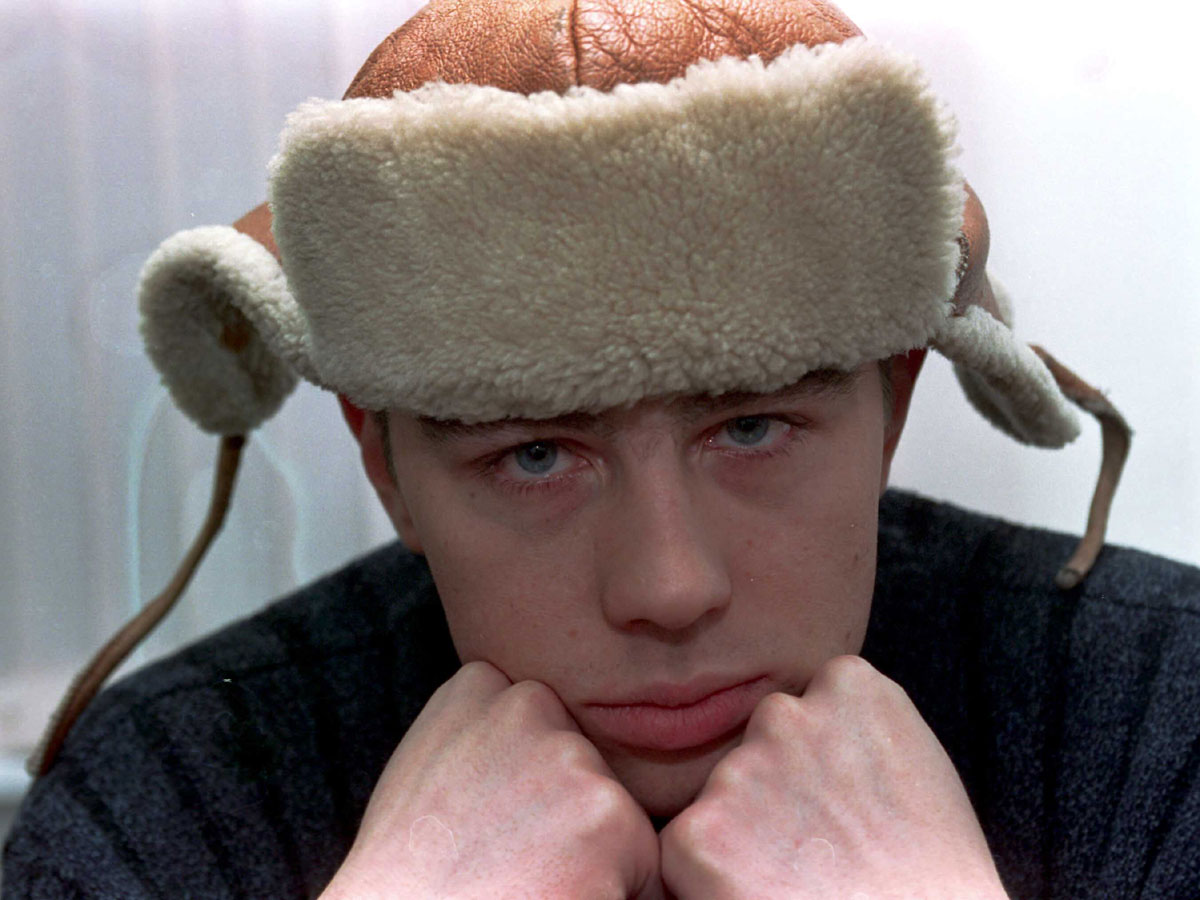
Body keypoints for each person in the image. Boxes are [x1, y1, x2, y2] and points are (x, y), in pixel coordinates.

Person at [4, 0, 1198, 897]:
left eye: (750, 427)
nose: (668, 589)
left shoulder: (1169, 719)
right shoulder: (167, 797)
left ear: (891, 407)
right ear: (385, 465)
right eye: (533, 455)